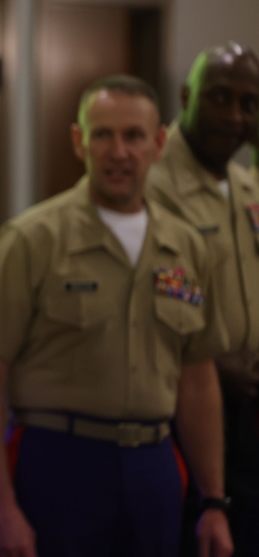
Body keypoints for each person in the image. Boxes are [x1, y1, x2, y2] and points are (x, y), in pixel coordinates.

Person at [0, 75, 233, 557]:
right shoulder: (32, 239)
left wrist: (213, 499)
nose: (118, 151)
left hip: (153, 467)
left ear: (158, 144)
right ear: (79, 141)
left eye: (134, 136)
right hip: (58, 464)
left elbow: (197, 380)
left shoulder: (188, 248)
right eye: (103, 135)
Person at [146, 43, 259, 555]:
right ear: (187, 96)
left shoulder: (245, 183)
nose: (235, 116)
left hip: (246, 415)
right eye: (220, 98)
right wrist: (212, 364)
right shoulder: (153, 182)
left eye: (249, 104)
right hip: (182, 407)